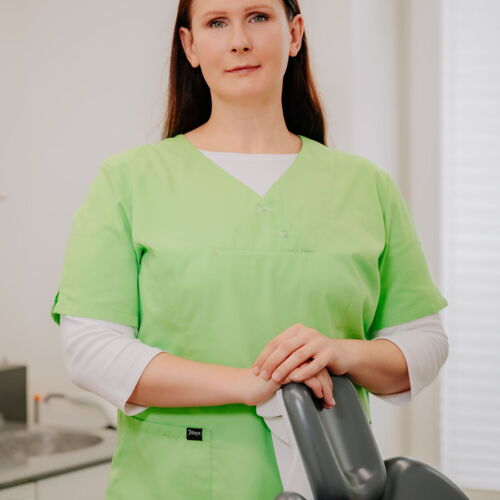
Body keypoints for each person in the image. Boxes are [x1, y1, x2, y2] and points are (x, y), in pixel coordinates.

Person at [50, 0, 449, 498]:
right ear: (190, 46)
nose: (239, 41)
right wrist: (249, 384)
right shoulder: (129, 181)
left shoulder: (365, 186)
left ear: (295, 33)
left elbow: (423, 343)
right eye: (217, 22)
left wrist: (342, 352)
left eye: (258, 17)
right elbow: (91, 350)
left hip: (333, 479)